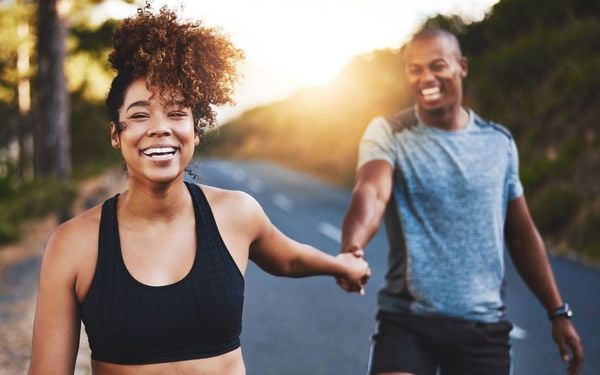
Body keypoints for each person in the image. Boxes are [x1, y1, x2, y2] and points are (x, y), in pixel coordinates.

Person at [28, 5, 370, 374]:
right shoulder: (74, 244)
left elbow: (288, 257)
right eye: (140, 114)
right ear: (117, 133)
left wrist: (342, 265)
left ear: (196, 129)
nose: (160, 128)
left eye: (177, 113)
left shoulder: (236, 213)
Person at [338, 27, 584, 375]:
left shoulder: (498, 143)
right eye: (415, 69)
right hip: (408, 320)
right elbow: (372, 192)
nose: (426, 78)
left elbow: (521, 234)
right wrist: (353, 246)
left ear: (462, 67)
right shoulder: (389, 132)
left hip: (482, 327)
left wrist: (558, 312)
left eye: (437, 66)